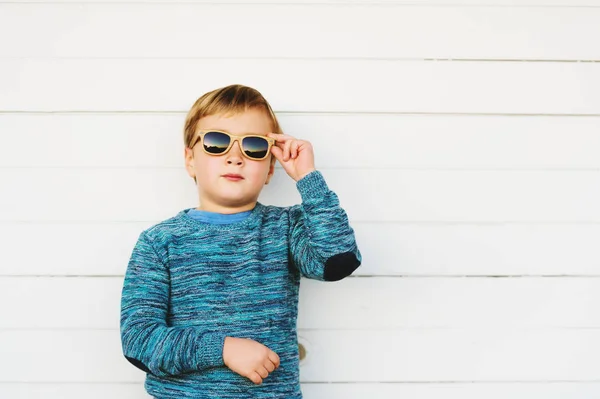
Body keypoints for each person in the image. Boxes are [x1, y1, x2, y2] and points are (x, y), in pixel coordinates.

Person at [120, 84, 362, 398]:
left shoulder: (285, 229)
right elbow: (139, 340)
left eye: (254, 146)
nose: (235, 157)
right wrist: (222, 350)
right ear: (190, 158)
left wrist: (308, 178)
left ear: (270, 166)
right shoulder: (159, 242)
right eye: (217, 142)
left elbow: (338, 260)